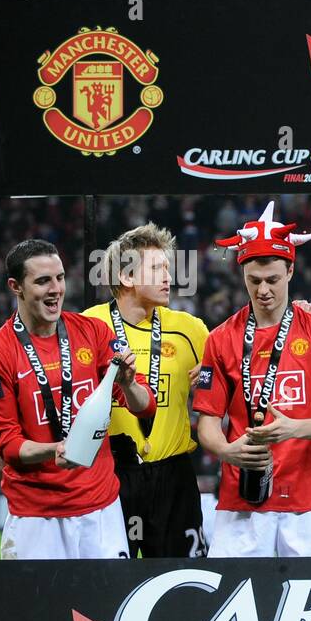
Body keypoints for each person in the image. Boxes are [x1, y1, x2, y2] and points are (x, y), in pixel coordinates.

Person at [0, 239, 155, 559]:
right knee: (36, 611)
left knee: (105, 609)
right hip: (36, 519)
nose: (56, 289)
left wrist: (128, 385)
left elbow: (145, 406)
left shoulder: (93, 332)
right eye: (43, 281)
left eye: (59, 278)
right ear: (15, 286)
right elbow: (5, 443)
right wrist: (55, 450)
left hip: (101, 512)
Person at [194, 202, 311, 557]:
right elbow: (207, 424)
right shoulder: (221, 338)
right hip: (242, 503)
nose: (263, 289)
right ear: (242, 276)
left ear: (291, 272)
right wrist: (226, 451)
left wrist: (293, 429)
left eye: (273, 280)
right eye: (254, 281)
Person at [83, 223, 210, 557]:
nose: (169, 276)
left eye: (168, 268)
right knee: (111, 581)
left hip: (174, 476)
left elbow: (239, 362)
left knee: (186, 578)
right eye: (157, 269)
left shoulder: (189, 329)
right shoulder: (90, 326)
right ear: (126, 277)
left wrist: (212, 373)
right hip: (113, 474)